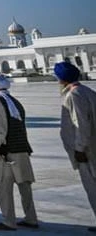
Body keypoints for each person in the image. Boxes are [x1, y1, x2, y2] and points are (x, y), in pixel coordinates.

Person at [0, 73, 38, 231]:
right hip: (21, 148)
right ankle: (31, 218)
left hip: (6, 151)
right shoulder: (14, 101)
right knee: (24, 185)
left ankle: (8, 221)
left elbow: (0, 125)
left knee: (4, 186)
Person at [56, 61, 96, 232]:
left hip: (87, 151)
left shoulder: (74, 95)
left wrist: (79, 149)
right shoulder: (88, 91)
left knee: (92, 187)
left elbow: (81, 124)